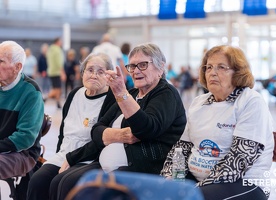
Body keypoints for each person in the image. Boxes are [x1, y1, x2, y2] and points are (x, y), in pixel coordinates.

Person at [47, 43, 187, 200]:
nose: (136, 71)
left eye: (142, 65)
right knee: (62, 181)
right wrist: (118, 135)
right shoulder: (132, 93)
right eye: (132, 66)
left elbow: (147, 129)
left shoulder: (165, 93)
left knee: (87, 187)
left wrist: (121, 93)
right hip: (108, 162)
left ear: (161, 67)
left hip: (145, 166)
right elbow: (97, 130)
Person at [161, 45, 274, 200]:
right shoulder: (199, 102)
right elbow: (181, 148)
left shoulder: (250, 102)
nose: (212, 72)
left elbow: (238, 162)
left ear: (238, 72)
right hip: (200, 182)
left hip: (244, 183)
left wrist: (193, 189)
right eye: (209, 67)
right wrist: (170, 177)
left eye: (221, 67)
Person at [27, 52, 116, 200]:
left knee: (60, 182)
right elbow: (63, 132)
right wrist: (59, 155)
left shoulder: (111, 99)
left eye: (101, 72)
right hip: (65, 154)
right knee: (38, 180)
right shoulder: (75, 94)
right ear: (82, 73)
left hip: (90, 158)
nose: (94, 75)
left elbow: (101, 141)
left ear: (109, 77)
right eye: (90, 70)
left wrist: (71, 158)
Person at [0, 41, 44, 179]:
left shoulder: (31, 92)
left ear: (17, 67)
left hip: (23, 153)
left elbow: (25, 138)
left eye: (0, 61)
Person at [46, 37, 66, 109]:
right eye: (61, 41)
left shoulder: (50, 49)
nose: (62, 43)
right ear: (58, 42)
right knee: (57, 89)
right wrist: (63, 73)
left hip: (51, 71)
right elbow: (59, 62)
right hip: (57, 72)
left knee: (57, 89)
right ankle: (44, 99)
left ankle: (58, 103)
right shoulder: (57, 50)